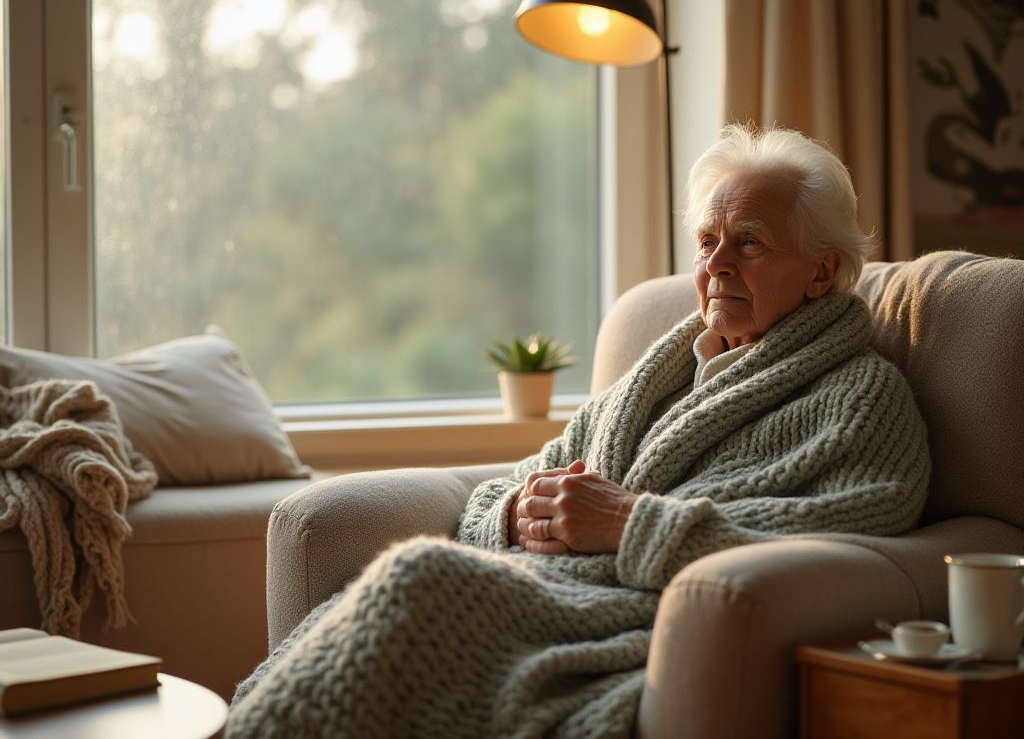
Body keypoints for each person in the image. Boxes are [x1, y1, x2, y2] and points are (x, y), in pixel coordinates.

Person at [226, 125, 930, 739]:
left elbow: (851, 531)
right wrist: (511, 511)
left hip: (633, 616)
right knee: (359, 601)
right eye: (707, 241)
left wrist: (630, 524)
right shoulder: (651, 379)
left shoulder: (861, 395)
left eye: (748, 243)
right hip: (545, 586)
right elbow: (518, 482)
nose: (716, 265)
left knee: (417, 577)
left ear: (821, 271)